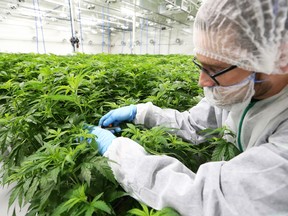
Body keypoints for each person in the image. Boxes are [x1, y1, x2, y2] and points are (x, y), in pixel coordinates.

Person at [87, 0, 288, 215]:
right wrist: (141, 113)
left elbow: (209, 198)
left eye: (215, 68)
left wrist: (117, 153)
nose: (203, 81)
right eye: (201, 65)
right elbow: (195, 125)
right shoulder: (237, 88)